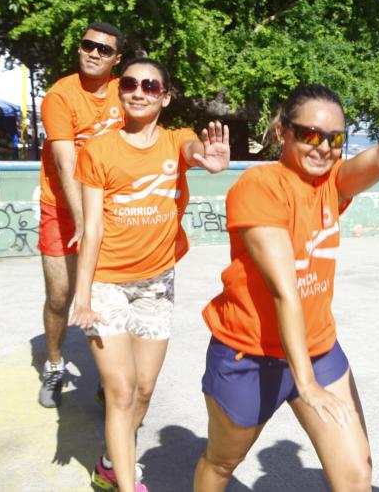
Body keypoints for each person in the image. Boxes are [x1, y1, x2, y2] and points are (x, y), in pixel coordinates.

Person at [193, 53, 379, 491]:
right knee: (222, 462)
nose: (323, 148)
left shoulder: (332, 183)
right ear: (283, 132)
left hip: (318, 348)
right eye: (309, 134)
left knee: (356, 474)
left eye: (335, 139)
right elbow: (284, 290)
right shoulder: (258, 187)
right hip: (250, 353)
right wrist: (305, 384)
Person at [69, 57, 230, 492]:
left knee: (142, 390)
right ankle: (126, 484)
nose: (138, 91)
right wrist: (82, 295)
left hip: (156, 284)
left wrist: (208, 160)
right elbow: (92, 228)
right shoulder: (98, 150)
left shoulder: (177, 141)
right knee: (120, 390)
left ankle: (110, 462)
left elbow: (194, 151)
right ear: (120, 90)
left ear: (166, 97)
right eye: (130, 83)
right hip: (106, 283)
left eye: (150, 86)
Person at [37, 22, 125, 408]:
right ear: (79, 48)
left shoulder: (126, 91)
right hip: (61, 207)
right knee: (60, 295)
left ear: (116, 59)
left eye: (104, 50)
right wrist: (84, 223)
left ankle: (110, 376)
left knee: (109, 296)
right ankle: (55, 365)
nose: (94, 53)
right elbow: (65, 161)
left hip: (109, 207)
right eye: (89, 45)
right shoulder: (61, 95)